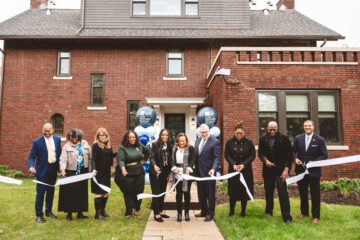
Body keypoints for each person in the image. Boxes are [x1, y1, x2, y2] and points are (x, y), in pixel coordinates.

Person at [293, 120, 328, 223]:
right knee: (302, 193)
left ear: (313, 127)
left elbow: (324, 155)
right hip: (301, 171)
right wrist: (295, 159)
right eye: (305, 126)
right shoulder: (298, 138)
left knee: (315, 194)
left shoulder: (320, 139)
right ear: (303, 127)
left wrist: (314, 162)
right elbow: (292, 151)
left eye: (309, 125)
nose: (307, 127)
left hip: (314, 172)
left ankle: (316, 216)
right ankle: (304, 212)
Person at [258, 121, 293, 223]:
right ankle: (268, 211)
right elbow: (260, 153)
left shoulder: (284, 138)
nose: (272, 131)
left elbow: (289, 156)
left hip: (281, 171)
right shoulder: (262, 138)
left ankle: (287, 217)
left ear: (277, 128)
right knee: (268, 192)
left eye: (274, 130)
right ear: (267, 129)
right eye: (270, 130)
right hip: (268, 171)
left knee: (283, 193)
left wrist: (286, 170)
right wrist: (265, 161)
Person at [28, 123, 62, 223]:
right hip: (42, 171)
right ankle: (39, 215)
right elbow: (31, 157)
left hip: (53, 170)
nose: (47, 133)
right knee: (40, 193)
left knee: (50, 192)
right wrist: (31, 167)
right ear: (43, 130)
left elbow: (59, 154)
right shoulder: (37, 142)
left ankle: (48, 211)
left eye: (49, 131)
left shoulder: (57, 140)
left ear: (53, 130)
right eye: (45, 131)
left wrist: (60, 168)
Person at [58, 129, 92, 221]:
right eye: (71, 137)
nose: (73, 139)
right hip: (71, 171)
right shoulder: (66, 146)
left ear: (79, 136)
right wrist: (63, 169)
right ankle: (69, 214)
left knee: (82, 192)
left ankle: (80, 213)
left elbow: (90, 157)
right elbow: (63, 159)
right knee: (70, 193)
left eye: (75, 137)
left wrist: (90, 170)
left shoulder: (85, 144)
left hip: (83, 171)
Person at [115, 130, 150, 218]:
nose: (132, 139)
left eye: (133, 137)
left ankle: (137, 209)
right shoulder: (122, 148)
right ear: (127, 138)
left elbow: (148, 151)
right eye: (130, 137)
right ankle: (128, 211)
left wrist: (144, 159)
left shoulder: (139, 145)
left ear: (136, 138)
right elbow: (121, 160)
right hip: (128, 172)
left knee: (139, 191)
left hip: (139, 172)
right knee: (128, 192)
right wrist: (123, 169)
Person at [225, 122, 255, 217]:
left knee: (244, 190)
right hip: (233, 170)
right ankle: (231, 211)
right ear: (234, 133)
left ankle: (243, 212)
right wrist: (233, 164)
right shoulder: (229, 142)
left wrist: (244, 164)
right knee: (233, 190)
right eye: (237, 133)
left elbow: (252, 155)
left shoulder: (249, 143)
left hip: (245, 170)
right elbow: (227, 155)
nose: (239, 135)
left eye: (241, 133)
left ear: (244, 133)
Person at [194, 124, 221, 222]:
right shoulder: (197, 141)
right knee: (201, 193)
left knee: (210, 194)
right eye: (202, 132)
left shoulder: (215, 142)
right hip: (199, 172)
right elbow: (196, 156)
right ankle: (203, 211)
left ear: (209, 131)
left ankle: (210, 214)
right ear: (199, 133)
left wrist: (213, 169)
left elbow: (217, 157)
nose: (204, 134)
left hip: (209, 172)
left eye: (205, 132)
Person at [170, 133, 196, 222]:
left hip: (187, 174)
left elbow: (193, 159)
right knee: (179, 194)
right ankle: (179, 213)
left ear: (186, 141)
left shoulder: (190, 148)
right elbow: (171, 160)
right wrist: (174, 168)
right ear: (177, 141)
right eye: (180, 141)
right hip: (177, 174)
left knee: (187, 194)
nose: (181, 143)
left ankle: (187, 213)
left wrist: (189, 169)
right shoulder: (174, 149)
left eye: (183, 141)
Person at [91, 127, 115, 220]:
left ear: (106, 136)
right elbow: (93, 159)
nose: (102, 137)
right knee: (99, 193)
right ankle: (97, 214)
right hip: (98, 173)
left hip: (106, 172)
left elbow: (110, 156)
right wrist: (93, 169)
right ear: (98, 136)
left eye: (103, 135)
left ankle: (102, 211)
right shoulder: (96, 146)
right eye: (100, 135)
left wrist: (120, 153)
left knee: (105, 193)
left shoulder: (109, 145)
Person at [149, 129, 172, 222]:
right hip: (155, 172)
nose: (165, 137)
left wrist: (169, 172)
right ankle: (156, 214)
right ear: (160, 135)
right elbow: (151, 157)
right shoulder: (155, 144)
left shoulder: (170, 145)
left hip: (165, 172)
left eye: (166, 135)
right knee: (156, 192)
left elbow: (170, 160)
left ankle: (161, 211)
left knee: (162, 191)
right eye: (163, 135)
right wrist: (154, 166)